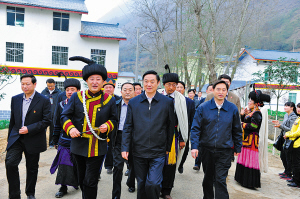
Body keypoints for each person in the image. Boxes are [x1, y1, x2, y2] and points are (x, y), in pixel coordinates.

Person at [61, 56, 117, 199]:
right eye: (91, 79)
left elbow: (114, 119)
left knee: (90, 180)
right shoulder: (77, 97)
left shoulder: (110, 100)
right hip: (78, 146)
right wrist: (71, 128)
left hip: (98, 146)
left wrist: (107, 125)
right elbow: (64, 116)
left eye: (98, 79)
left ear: (103, 82)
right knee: (81, 180)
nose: (95, 82)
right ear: (86, 81)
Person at [121, 70, 175, 199]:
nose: (148, 84)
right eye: (146, 81)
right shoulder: (134, 102)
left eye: (152, 81)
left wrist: (167, 147)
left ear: (158, 83)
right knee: (142, 183)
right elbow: (128, 126)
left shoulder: (166, 102)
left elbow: (170, 126)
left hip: (158, 151)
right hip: (139, 150)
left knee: (153, 183)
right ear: (142, 83)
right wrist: (125, 147)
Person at [190, 80, 242, 199]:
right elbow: (195, 128)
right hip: (206, 149)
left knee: (220, 180)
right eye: (218, 89)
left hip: (225, 151)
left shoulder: (232, 109)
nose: (221, 92)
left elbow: (237, 130)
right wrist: (194, 146)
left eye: (224, 90)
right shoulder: (203, 108)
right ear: (213, 90)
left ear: (227, 92)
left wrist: (238, 147)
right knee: (208, 179)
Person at [5, 74, 51, 199]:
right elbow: (12, 121)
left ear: (35, 84)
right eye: (22, 84)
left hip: (33, 138)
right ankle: (14, 195)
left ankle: (30, 193)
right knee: (10, 163)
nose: (24, 86)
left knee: (32, 168)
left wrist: (29, 129)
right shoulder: (15, 99)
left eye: (27, 84)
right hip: (17, 138)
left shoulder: (44, 100)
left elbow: (47, 121)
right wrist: (10, 139)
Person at [159, 69, 189, 199]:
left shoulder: (181, 99)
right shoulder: (157, 96)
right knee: (157, 163)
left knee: (170, 165)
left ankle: (166, 190)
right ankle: (155, 187)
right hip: (157, 135)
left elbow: (183, 121)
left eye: (174, 85)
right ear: (163, 84)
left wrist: (182, 138)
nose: (171, 87)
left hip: (173, 136)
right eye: (168, 84)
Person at [50, 78, 81, 198]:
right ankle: (63, 187)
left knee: (78, 163)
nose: (69, 92)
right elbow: (57, 122)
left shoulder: (84, 105)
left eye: (72, 89)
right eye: (67, 90)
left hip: (79, 140)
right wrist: (55, 138)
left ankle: (78, 181)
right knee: (63, 163)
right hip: (64, 140)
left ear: (78, 90)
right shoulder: (61, 105)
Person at [235, 90, 270, 188]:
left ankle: (249, 182)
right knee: (244, 158)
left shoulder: (257, 113)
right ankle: (242, 179)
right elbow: (247, 122)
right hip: (246, 139)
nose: (248, 102)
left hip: (252, 140)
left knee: (250, 159)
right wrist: (243, 115)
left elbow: (254, 126)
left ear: (255, 103)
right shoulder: (252, 112)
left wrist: (242, 124)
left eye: (251, 101)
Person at [111, 82, 135, 199]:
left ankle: (131, 182)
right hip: (118, 138)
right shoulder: (114, 105)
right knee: (118, 167)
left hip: (134, 139)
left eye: (130, 89)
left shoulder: (138, 106)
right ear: (121, 92)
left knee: (133, 165)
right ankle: (116, 195)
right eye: (125, 89)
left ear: (134, 92)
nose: (127, 92)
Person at [273, 102, 297, 181]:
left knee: (288, 157)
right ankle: (286, 171)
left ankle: (289, 173)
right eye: (285, 105)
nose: (285, 107)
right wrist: (279, 124)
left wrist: (280, 126)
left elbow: (291, 129)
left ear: (292, 108)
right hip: (284, 138)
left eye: (287, 106)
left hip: (290, 139)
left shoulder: (294, 117)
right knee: (283, 155)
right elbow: (284, 126)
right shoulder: (286, 115)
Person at [176, 81, 195, 174]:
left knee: (185, 149)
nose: (179, 89)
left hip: (185, 129)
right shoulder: (170, 100)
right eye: (177, 87)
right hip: (175, 128)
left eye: (181, 87)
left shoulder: (190, 102)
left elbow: (192, 117)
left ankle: (181, 164)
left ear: (184, 89)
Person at [193, 83, 214, 171]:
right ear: (206, 91)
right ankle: (197, 163)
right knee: (200, 146)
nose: (212, 92)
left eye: (213, 90)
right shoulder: (202, 102)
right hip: (202, 129)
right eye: (210, 90)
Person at [103, 82, 121, 174]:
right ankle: (108, 165)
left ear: (113, 89)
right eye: (106, 87)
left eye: (110, 87)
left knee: (114, 146)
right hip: (102, 127)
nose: (108, 89)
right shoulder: (100, 99)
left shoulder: (118, 99)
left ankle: (114, 165)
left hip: (114, 126)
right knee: (106, 147)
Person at [41, 78, 62, 148]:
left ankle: (52, 143)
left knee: (53, 129)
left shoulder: (59, 93)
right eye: (48, 86)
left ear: (54, 84)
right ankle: (42, 143)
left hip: (55, 114)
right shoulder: (43, 92)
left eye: (51, 86)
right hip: (45, 114)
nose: (50, 88)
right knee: (42, 129)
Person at [283, 102, 300, 188]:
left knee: (297, 163)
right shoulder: (298, 119)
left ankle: (297, 181)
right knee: (294, 163)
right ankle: (294, 178)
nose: (298, 109)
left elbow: (298, 132)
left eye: (299, 108)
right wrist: (288, 134)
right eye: (298, 107)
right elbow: (293, 130)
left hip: (298, 144)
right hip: (294, 144)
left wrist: (288, 134)